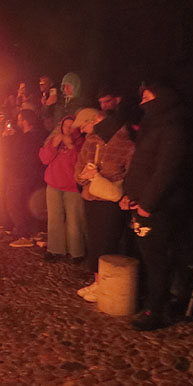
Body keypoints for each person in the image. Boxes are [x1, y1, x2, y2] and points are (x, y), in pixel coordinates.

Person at [121, 82, 189, 330]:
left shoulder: (173, 127)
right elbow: (141, 165)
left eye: (147, 97)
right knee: (147, 255)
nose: (142, 103)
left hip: (157, 207)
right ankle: (150, 300)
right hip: (141, 203)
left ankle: (157, 311)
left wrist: (147, 204)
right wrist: (129, 194)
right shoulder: (153, 125)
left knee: (156, 259)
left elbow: (166, 170)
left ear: (162, 98)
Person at [74, 108, 135, 302]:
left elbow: (130, 174)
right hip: (91, 198)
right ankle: (98, 281)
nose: (82, 131)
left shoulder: (125, 143)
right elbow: (79, 167)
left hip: (110, 201)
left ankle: (106, 284)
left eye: (83, 125)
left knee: (107, 242)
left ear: (95, 120)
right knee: (95, 242)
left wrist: (105, 179)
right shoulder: (91, 141)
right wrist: (84, 176)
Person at [38, 116, 85, 262]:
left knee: (74, 220)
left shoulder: (82, 142)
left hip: (72, 187)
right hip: (53, 184)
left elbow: (80, 163)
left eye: (71, 126)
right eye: (65, 126)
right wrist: (53, 145)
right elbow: (44, 159)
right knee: (54, 218)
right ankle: (55, 249)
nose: (68, 129)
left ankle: (76, 251)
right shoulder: (55, 140)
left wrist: (71, 146)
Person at [5, 109, 47, 247]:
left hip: (20, 175)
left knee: (14, 203)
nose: (17, 122)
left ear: (25, 121)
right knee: (26, 204)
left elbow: (13, 155)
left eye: (19, 120)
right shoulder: (39, 136)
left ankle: (24, 235)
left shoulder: (25, 138)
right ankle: (32, 232)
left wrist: (7, 138)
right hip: (33, 176)